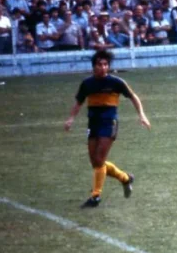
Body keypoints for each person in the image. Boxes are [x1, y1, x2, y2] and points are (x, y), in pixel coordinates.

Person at [64, 50, 151, 208]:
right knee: (96, 162)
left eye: (105, 65)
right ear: (93, 67)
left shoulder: (116, 82)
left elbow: (133, 97)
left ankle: (95, 196)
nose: (103, 67)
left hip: (109, 123)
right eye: (99, 64)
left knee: (99, 160)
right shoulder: (87, 84)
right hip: (93, 123)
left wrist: (142, 115)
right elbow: (79, 102)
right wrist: (71, 118)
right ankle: (125, 178)